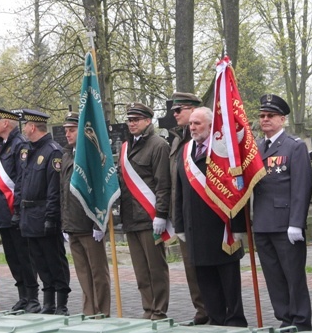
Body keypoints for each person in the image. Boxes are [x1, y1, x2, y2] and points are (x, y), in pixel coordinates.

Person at [175, 107, 247, 326]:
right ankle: (216, 321)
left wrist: (238, 226)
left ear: (210, 125)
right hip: (194, 228)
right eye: (191, 124)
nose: (193, 128)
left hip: (221, 228)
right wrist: (179, 224)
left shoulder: (223, 150)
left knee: (229, 281)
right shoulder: (185, 151)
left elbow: (237, 190)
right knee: (205, 282)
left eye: (198, 123)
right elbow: (179, 192)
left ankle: (235, 321)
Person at [253, 94, 312, 331]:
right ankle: (285, 320)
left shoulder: (294, 146)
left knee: (293, 277)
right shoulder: (256, 148)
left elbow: (301, 186)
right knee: (274, 278)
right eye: (262, 116)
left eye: (270, 116)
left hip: (286, 225)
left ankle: (300, 322)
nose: (265, 119)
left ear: (282, 119)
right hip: (262, 223)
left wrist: (296, 222)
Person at [13, 109, 71, 315]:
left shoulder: (52, 151)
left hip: (44, 214)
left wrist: (51, 217)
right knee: (39, 261)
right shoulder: (27, 150)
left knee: (54, 259)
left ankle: (61, 303)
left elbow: (54, 190)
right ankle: (48, 302)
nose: (25, 128)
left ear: (33, 127)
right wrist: (17, 210)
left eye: (27, 124)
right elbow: (21, 182)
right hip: (29, 215)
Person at [118, 102, 171, 320]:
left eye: (136, 120)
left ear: (148, 121)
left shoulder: (158, 145)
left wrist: (161, 214)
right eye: (130, 120)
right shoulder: (126, 146)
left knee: (156, 269)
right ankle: (148, 308)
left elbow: (162, 183)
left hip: (150, 218)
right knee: (141, 270)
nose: (132, 123)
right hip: (131, 217)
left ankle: (159, 311)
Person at [60, 111, 111, 316]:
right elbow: (63, 192)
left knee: (98, 273)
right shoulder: (66, 155)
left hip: (89, 224)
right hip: (72, 224)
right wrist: (64, 224)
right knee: (83, 273)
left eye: (72, 130)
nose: (67, 134)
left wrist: (99, 223)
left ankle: (102, 311)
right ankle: (89, 311)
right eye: (66, 131)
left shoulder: (92, 156)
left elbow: (100, 190)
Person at [0, 108, 40, 312]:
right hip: (2, 211)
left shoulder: (19, 145)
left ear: (6, 124)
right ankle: (22, 295)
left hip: (15, 210)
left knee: (24, 256)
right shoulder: (0, 147)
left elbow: (21, 179)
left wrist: (18, 209)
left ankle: (33, 297)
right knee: (11, 256)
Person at [167, 91, 208, 325]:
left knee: (205, 266)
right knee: (190, 266)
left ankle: (214, 309)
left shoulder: (207, 137)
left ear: (193, 109)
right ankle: (201, 310)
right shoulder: (177, 139)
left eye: (178, 110)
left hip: (202, 213)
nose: (175, 114)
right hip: (182, 212)